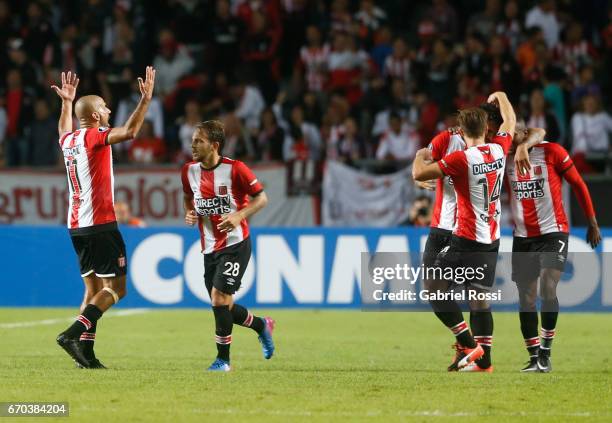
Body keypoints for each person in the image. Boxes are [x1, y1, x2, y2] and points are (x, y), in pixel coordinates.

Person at [51, 66, 156, 368]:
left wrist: (66, 103)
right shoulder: (95, 136)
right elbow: (131, 132)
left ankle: (85, 354)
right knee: (116, 289)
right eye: (105, 107)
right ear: (96, 116)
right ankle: (72, 334)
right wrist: (146, 100)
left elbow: (62, 130)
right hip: (100, 223)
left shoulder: (69, 141)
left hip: (76, 226)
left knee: (93, 290)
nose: (109, 110)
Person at [412, 92, 516, 372]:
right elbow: (511, 121)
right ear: (485, 128)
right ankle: (483, 362)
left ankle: (470, 346)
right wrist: (502, 96)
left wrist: (420, 159)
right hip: (490, 237)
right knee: (479, 297)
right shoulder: (497, 149)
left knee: (434, 288)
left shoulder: (461, 158)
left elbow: (421, 173)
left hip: (463, 234)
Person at [506, 122, 601, 372]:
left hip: (553, 231)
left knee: (548, 285)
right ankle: (533, 355)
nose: (508, 137)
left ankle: (546, 355)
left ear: (525, 134)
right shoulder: (502, 156)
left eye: (513, 132)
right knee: (526, 298)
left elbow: (579, 184)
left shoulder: (552, 152)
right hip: (523, 236)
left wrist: (592, 222)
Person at [181, 120, 274, 372]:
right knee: (225, 306)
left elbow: (262, 198)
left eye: (199, 140)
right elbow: (188, 197)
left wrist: (239, 216)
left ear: (214, 145)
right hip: (209, 247)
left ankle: (223, 360)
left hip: (235, 244)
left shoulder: (236, 169)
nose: (193, 144)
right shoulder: (189, 170)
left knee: (219, 299)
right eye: (193, 140)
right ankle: (261, 325)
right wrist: (190, 213)